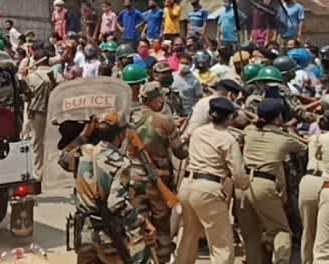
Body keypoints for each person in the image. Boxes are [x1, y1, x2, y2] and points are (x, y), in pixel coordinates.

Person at [73, 110, 156, 264]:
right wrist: (142, 221)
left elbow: (63, 160)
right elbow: (116, 203)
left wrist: (84, 134)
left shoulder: (82, 151)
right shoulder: (120, 163)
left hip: (83, 234)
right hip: (106, 237)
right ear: (121, 135)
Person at [176, 97, 249, 264]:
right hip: (209, 188)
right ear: (230, 118)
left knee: (188, 234)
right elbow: (237, 174)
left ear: (210, 116)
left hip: (187, 186)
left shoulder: (198, 132)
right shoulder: (228, 139)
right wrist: (245, 184)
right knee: (221, 241)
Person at [237, 98, 307, 264]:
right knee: (281, 230)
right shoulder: (284, 139)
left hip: (242, 184)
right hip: (263, 185)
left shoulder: (249, 131)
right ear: (278, 118)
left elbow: (249, 129)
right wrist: (287, 129)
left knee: (251, 234)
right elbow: (304, 147)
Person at [129, 82, 188, 263]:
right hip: (158, 182)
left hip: (133, 179)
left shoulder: (130, 119)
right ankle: (161, 259)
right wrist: (182, 135)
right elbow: (180, 152)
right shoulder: (165, 121)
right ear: (155, 101)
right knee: (161, 226)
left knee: (139, 225)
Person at [300, 113, 329, 264]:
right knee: (324, 239)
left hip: (308, 181)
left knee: (308, 230)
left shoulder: (315, 138)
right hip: (326, 183)